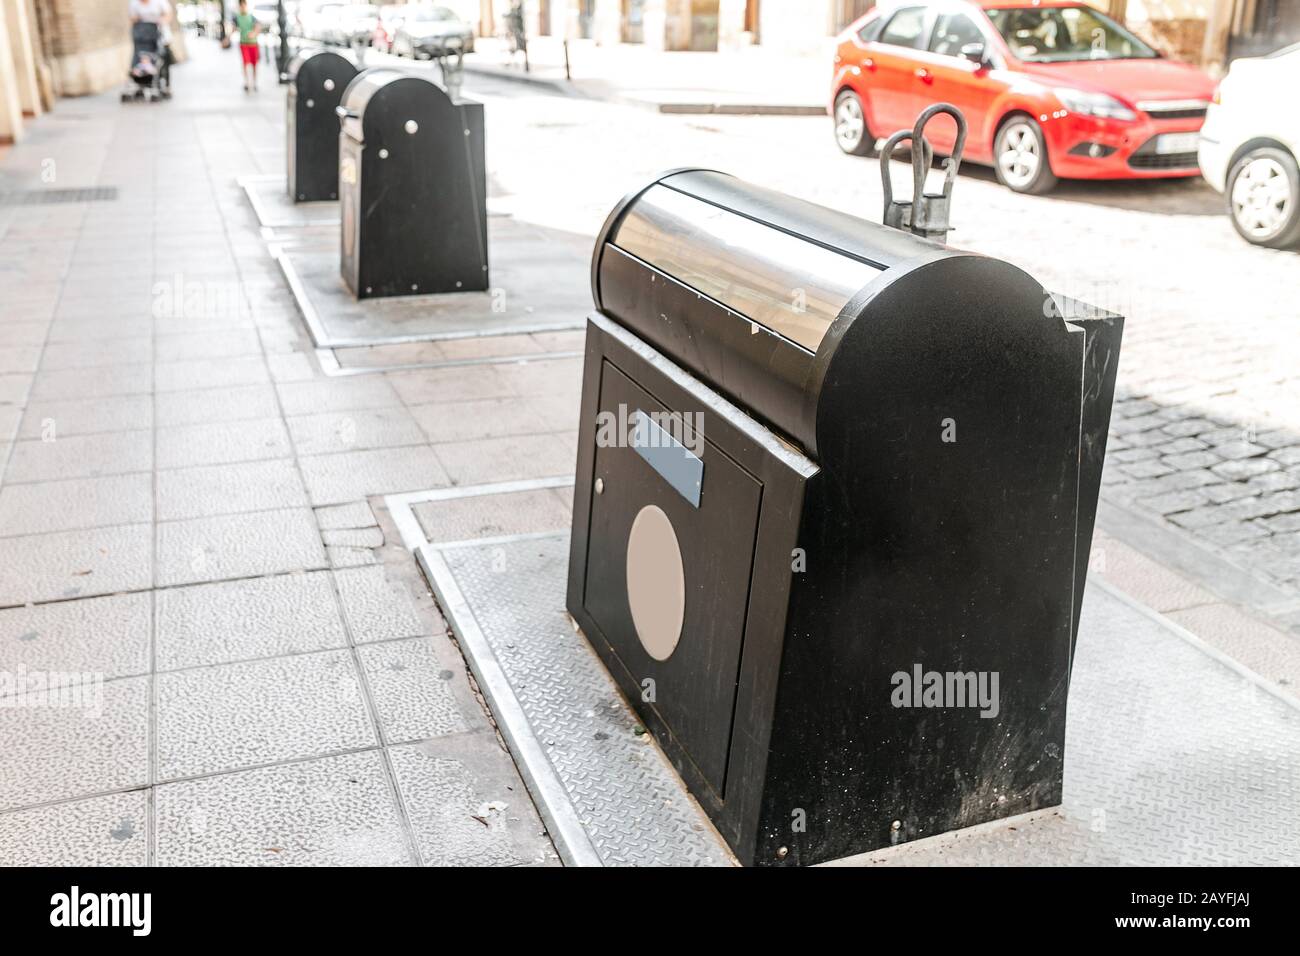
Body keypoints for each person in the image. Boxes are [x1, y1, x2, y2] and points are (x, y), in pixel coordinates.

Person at [128, 0, 174, 88]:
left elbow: (168, 14)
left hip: (159, 33)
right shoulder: (134, 3)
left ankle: (166, 85)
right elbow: (132, 18)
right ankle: (143, 83)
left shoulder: (159, 2)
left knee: (163, 59)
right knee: (141, 57)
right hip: (142, 34)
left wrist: (161, 21)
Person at [232, 0, 263, 92]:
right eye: (241, 5)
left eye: (244, 5)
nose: (243, 7)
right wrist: (227, 39)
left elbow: (258, 28)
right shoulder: (237, 17)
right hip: (243, 44)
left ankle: (254, 82)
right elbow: (233, 29)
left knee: (254, 64)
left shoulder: (252, 17)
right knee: (245, 64)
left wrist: (254, 33)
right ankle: (247, 83)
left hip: (253, 44)